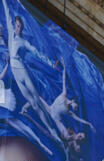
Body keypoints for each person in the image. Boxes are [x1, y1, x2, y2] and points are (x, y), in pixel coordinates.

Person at [2, 0, 60, 142]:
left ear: (22, 28)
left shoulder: (24, 42)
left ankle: (53, 130)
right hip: (15, 74)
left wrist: (52, 64)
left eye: (20, 27)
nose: (18, 28)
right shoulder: (11, 34)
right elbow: (8, 14)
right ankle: (52, 131)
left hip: (22, 70)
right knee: (33, 104)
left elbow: (38, 53)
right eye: (17, 26)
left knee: (37, 100)